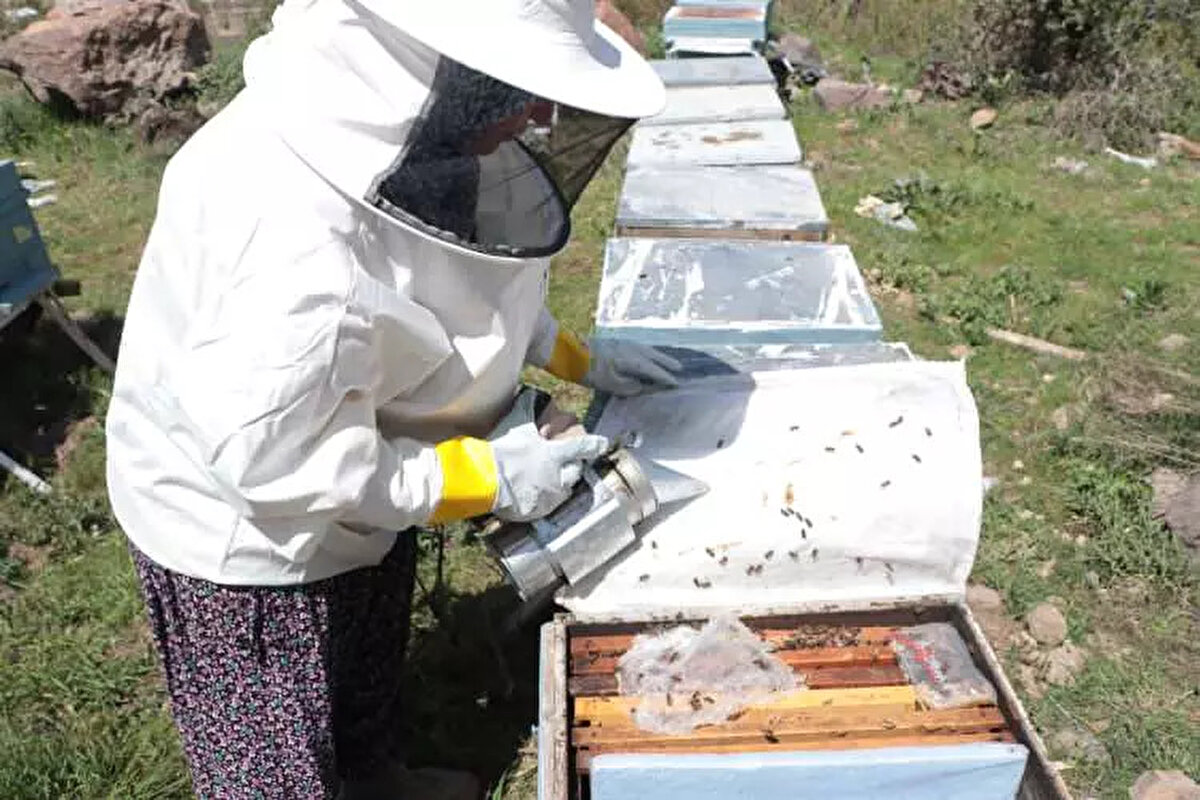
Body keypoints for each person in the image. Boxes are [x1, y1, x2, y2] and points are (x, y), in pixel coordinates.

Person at [103, 0, 675, 797]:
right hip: (247, 534)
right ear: (436, 73)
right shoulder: (288, 248)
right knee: (277, 763)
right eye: (520, 89)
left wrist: (577, 355)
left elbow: (464, 278)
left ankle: (372, 775)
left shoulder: (404, 135)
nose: (542, 115)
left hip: (362, 463)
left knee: (364, 650)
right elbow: (278, 466)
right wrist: (483, 480)